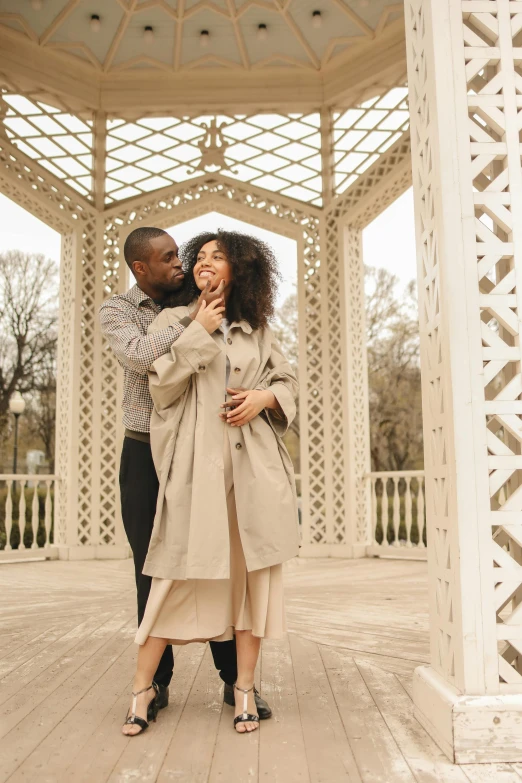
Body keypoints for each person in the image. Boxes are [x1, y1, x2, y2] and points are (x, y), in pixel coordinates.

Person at [121, 230, 300, 736]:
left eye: (216, 257)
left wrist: (264, 398)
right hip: (196, 474)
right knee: (172, 575)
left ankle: (242, 687)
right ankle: (142, 688)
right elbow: (163, 387)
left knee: (249, 583)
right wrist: (198, 330)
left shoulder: (257, 329)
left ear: (239, 270)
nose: (202, 263)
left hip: (251, 476)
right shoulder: (173, 321)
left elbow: (288, 381)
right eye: (198, 256)